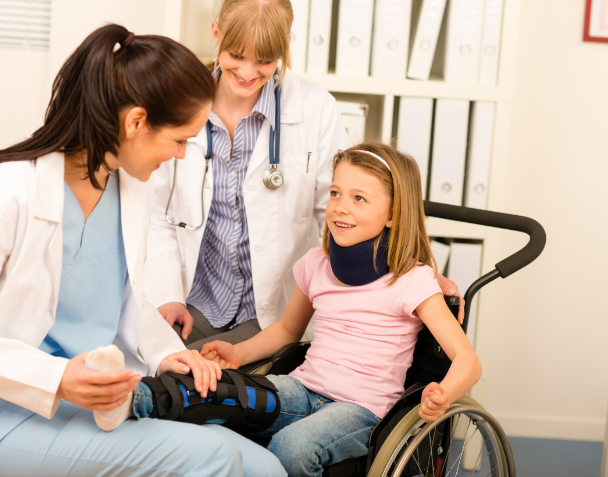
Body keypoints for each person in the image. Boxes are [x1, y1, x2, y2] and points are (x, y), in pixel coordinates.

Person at [0, 24, 284, 477]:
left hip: (99, 400)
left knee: (266, 468)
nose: (181, 155)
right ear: (135, 122)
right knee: (217, 458)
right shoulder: (12, 193)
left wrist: (165, 353)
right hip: (16, 409)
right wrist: (56, 378)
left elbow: (124, 297)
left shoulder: (128, 189)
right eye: (178, 140)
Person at [145, 0, 465, 351]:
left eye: (265, 60)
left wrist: (412, 270)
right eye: (236, 54)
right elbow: (157, 214)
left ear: (286, 43)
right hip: (194, 302)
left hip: (274, 312)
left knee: (191, 379)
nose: (248, 72)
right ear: (216, 32)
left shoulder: (314, 108)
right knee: (150, 362)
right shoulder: (180, 103)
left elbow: (348, 213)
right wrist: (167, 294)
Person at [200, 142, 483, 476]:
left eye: (359, 198)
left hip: (361, 409)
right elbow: (287, 330)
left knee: (293, 448)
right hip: (303, 388)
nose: (340, 207)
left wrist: (443, 394)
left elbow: (469, 362)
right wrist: (236, 353)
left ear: (392, 214)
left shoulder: (412, 281)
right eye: (336, 193)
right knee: (222, 404)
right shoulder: (316, 264)